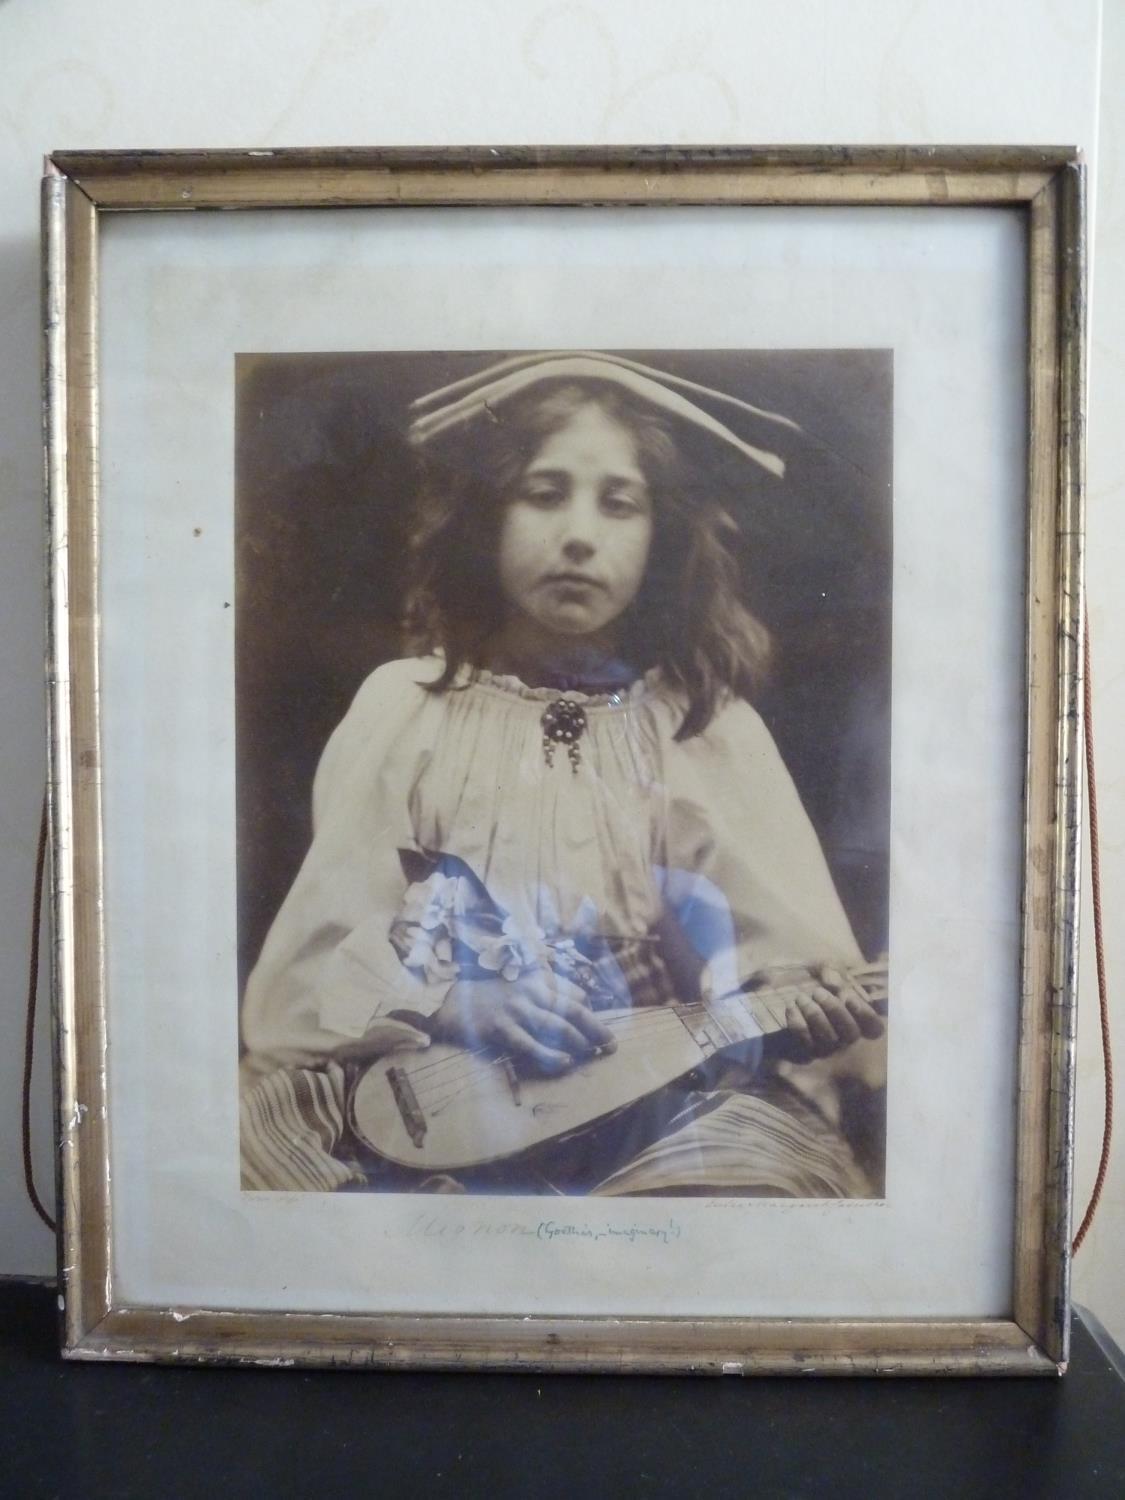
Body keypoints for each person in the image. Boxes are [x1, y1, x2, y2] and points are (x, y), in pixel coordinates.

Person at [239, 352, 886, 1196]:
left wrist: (797, 1007)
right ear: (485, 518)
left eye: (619, 504)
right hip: (424, 1088)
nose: (579, 533)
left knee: (737, 1197)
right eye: (543, 493)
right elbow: (313, 965)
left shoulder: (703, 727)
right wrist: (450, 1005)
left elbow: (775, 960)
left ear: (660, 537)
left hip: (656, 1109)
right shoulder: (407, 708)